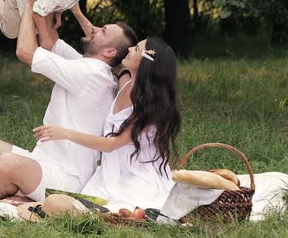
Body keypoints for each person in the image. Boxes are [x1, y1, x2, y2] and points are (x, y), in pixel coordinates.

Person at [0, 0, 138, 201]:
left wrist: (29, 3)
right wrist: (49, 5)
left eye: (103, 31)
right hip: (40, 161)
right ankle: (15, 189)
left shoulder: (91, 74)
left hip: (65, 178)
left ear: (110, 52)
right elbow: (49, 41)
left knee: (6, 163)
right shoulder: (87, 65)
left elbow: (25, 52)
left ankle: (8, 191)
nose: (95, 29)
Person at [33, 37, 181, 211]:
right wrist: (81, 18)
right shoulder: (126, 83)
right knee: (89, 205)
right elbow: (111, 64)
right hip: (110, 170)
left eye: (136, 49)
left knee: (123, 207)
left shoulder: (148, 107)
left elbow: (112, 144)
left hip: (135, 173)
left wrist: (66, 133)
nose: (129, 48)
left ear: (145, 63)